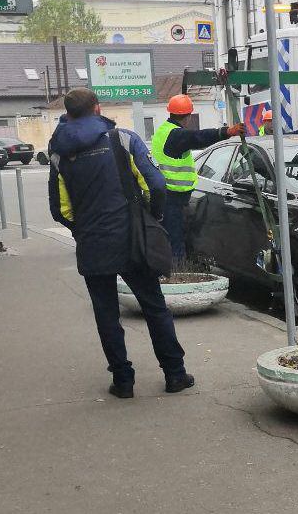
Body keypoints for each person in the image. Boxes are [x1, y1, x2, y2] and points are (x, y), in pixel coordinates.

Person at [48, 88, 192, 399]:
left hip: (92, 243)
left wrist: (82, 228)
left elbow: (59, 209)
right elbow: (156, 184)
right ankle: (175, 374)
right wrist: (151, 217)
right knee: (154, 307)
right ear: (97, 109)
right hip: (132, 238)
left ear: (68, 114)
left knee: (106, 314)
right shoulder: (123, 139)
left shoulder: (58, 153)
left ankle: (123, 382)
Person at [152, 94, 243, 260]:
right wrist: (227, 132)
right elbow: (198, 137)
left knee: (173, 237)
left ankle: (174, 270)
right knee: (175, 240)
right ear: (187, 116)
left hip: (168, 194)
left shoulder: (163, 131)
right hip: (172, 196)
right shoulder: (176, 135)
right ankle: (178, 274)